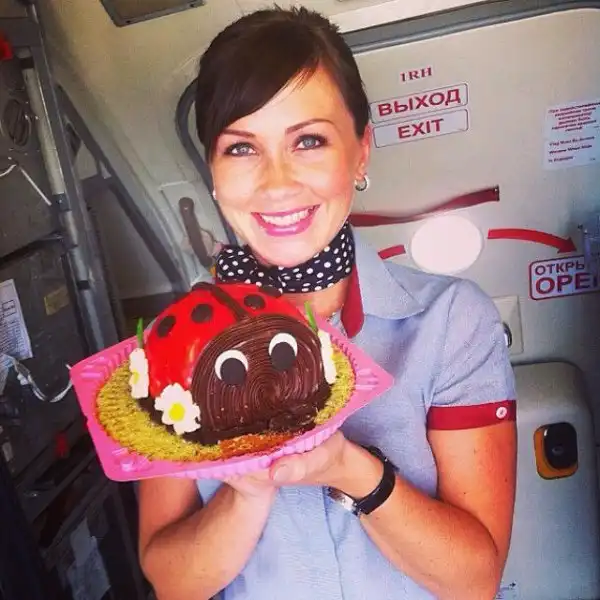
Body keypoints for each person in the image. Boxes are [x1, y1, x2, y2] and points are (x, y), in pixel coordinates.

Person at [138, 7, 517, 600]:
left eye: (308, 140)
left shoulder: (451, 322)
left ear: (360, 152)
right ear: (212, 170)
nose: (276, 182)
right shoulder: (171, 344)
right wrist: (248, 493)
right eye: (241, 148)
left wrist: (349, 469)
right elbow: (170, 582)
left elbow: (475, 580)